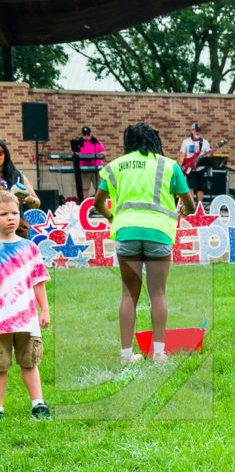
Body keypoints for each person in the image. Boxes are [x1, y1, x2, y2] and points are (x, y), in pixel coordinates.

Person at [95, 123, 195, 365]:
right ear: (153, 140)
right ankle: (159, 353)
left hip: (126, 232)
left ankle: (126, 356)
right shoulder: (169, 165)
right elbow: (190, 205)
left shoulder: (115, 166)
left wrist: (112, 218)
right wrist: (180, 210)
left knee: (129, 295)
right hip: (159, 233)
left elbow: (98, 202)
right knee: (158, 293)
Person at [0, 190, 51, 420]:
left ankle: (38, 404)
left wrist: (45, 310)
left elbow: (39, 281)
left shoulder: (29, 247)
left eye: (14, 213)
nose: (11, 218)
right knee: (0, 366)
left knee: (29, 362)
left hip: (26, 318)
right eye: (3, 214)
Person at [0, 140, 41, 210]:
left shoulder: (17, 175)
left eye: (0, 153)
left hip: (13, 219)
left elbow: (37, 203)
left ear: (5, 155)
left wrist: (28, 198)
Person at [178, 123, 210, 205]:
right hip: (190, 168)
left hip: (201, 168)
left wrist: (210, 154)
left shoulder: (205, 142)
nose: (197, 133)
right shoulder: (186, 142)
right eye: (196, 131)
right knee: (190, 187)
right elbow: (182, 155)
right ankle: (192, 206)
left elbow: (208, 156)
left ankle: (199, 206)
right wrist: (178, 168)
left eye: (199, 131)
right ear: (191, 130)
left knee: (200, 188)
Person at [78, 126, 106, 197]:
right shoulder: (79, 143)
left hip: (95, 168)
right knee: (85, 188)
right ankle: (85, 203)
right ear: (82, 135)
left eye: (88, 134)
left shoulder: (96, 142)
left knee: (99, 187)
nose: (86, 136)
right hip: (84, 169)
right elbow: (74, 153)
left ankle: (98, 204)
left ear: (91, 134)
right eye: (85, 134)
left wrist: (95, 155)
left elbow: (103, 152)